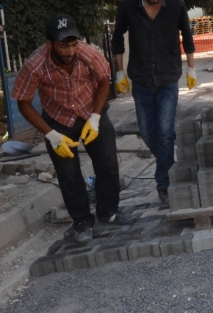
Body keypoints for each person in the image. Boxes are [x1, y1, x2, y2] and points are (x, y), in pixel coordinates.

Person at [12, 15, 135, 244]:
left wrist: (96, 118)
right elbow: (23, 102)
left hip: (90, 111)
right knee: (69, 174)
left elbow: (103, 82)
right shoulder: (35, 65)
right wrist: (51, 134)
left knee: (107, 163)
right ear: (50, 44)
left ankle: (108, 211)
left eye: (73, 44)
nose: (70, 51)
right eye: (63, 45)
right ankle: (81, 222)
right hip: (58, 120)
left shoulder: (88, 54)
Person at [112, 0, 196, 207]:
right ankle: (172, 166)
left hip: (168, 77)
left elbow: (187, 37)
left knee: (165, 131)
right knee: (148, 133)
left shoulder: (176, 5)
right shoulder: (128, 7)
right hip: (141, 80)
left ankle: (165, 186)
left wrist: (191, 68)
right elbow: (117, 39)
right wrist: (119, 74)